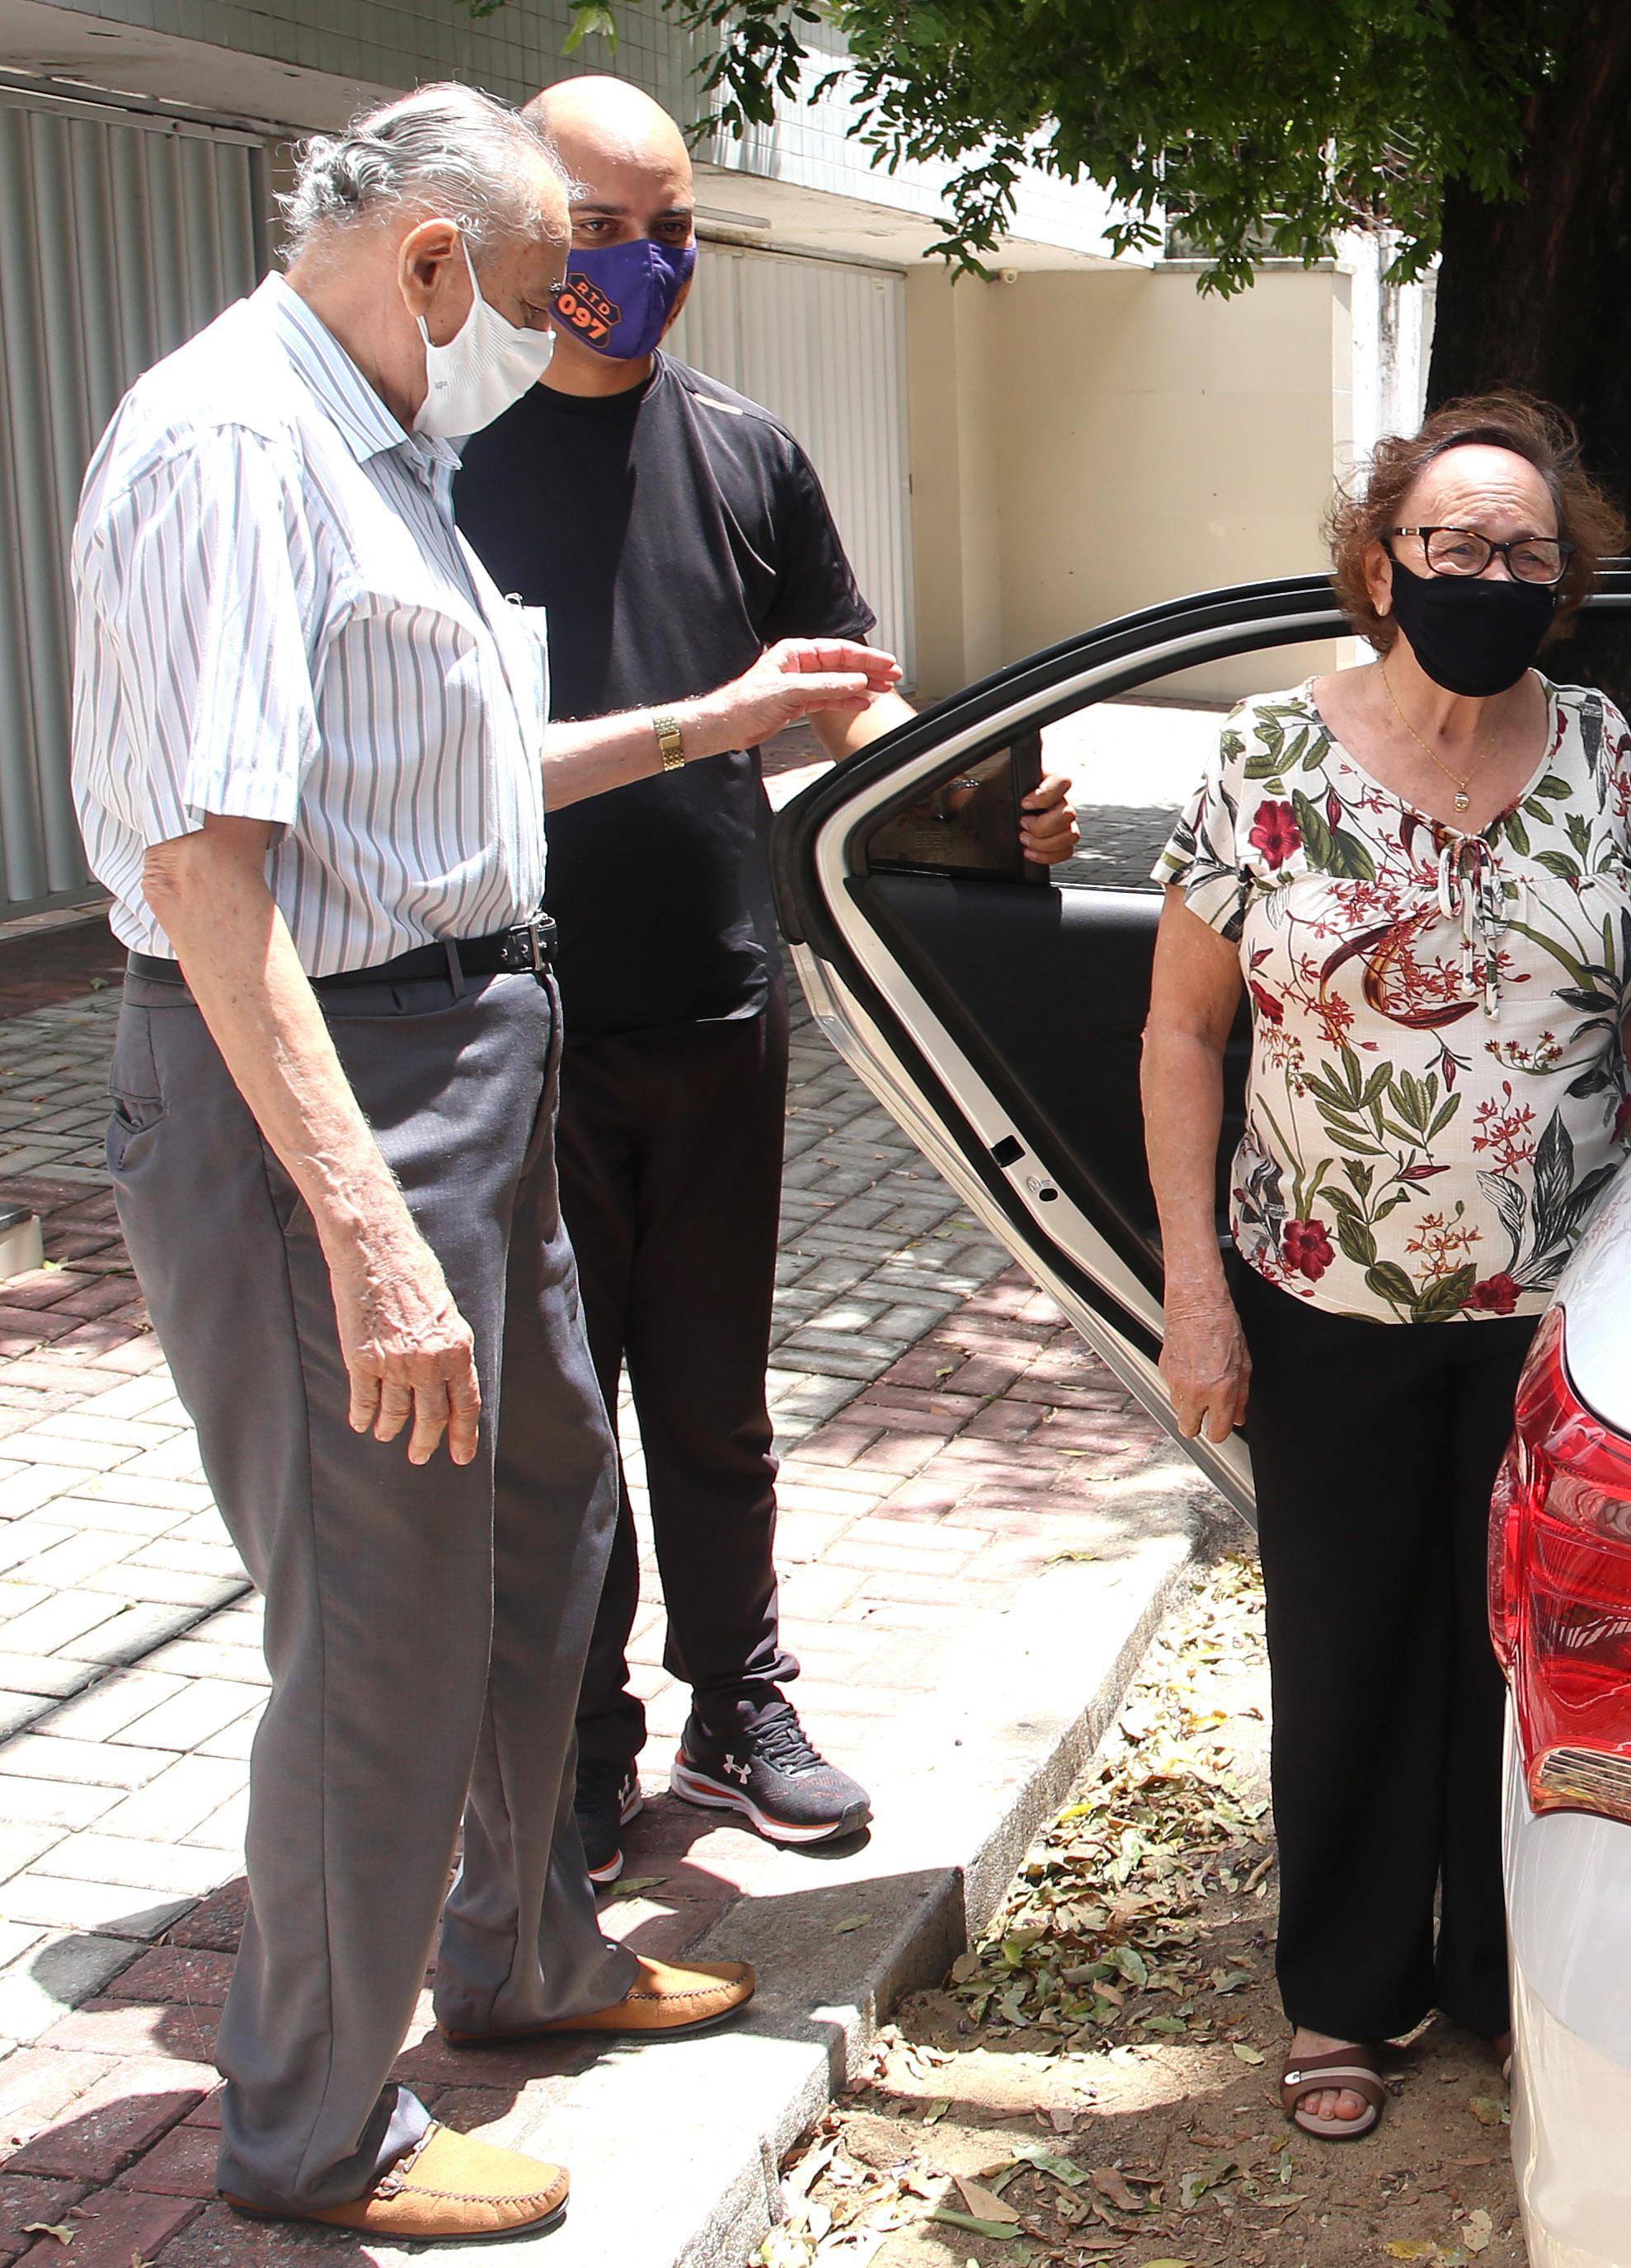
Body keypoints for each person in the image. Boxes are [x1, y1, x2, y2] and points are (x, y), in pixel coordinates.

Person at [69, 82, 895, 2242]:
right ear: (429, 259)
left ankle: (528, 1942)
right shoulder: (232, 450)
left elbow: (444, 775)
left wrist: (713, 720)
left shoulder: (379, 448)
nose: (549, 334)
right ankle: (312, 2125)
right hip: (326, 1085)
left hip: (476, 1045)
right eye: (532, 294)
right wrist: (363, 1226)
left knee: (539, 1532)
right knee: (376, 1618)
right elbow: (209, 873)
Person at [453, 75, 1081, 1890]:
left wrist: (967, 801)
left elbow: (845, 693)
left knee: (714, 1395)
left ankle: (741, 1704)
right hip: (529, 1022)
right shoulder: (450, 490)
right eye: (603, 229)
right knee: (556, 1425)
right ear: (519, 234)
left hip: (726, 1001)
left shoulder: (748, 452)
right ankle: (579, 1751)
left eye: (673, 231)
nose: (646, 265)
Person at [1139, 393, 1631, 2142]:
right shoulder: (1267, 756)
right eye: (1456, 544)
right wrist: (1194, 1291)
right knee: (1356, 1646)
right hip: (1330, 1298)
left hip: (1556, 1309)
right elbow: (1177, 1035)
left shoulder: (1598, 741)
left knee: (1530, 1653)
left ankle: (1515, 1974)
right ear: (1383, 560)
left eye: (1526, 551)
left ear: (1563, 579)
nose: (1490, 573)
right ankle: (1346, 1996)